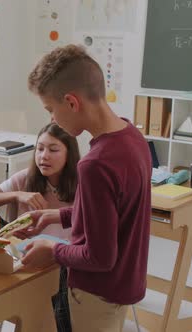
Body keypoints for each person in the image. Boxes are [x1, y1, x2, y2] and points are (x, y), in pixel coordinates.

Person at [21, 44, 152, 332]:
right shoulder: (132, 136)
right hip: (124, 286)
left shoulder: (94, 164)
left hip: (96, 294)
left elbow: (99, 257)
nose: (52, 119)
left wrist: (52, 249)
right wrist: (58, 216)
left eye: (51, 110)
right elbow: (115, 213)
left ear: (71, 102)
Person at [0, 122, 79, 332]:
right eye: (40, 149)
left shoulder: (83, 183)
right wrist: (16, 194)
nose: (43, 156)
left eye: (53, 150)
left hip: (61, 261)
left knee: (62, 272)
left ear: (69, 154)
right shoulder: (27, 177)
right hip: (24, 256)